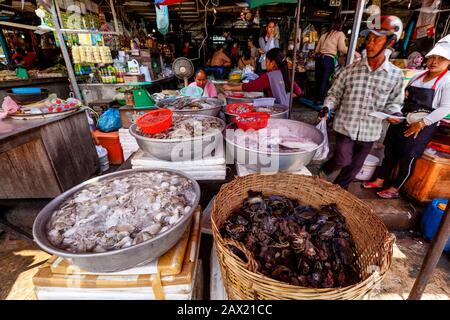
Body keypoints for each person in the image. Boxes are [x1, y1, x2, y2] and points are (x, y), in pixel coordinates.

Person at [317, 16, 405, 190]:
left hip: (370, 131)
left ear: (390, 42)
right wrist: (327, 106)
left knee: (354, 168)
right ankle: (324, 171)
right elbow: (334, 93)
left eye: (377, 40)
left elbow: (395, 102)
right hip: (346, 126)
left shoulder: (396, 75)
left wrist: (393, 114)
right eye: (369, 39)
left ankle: (338, 193)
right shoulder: (350, 70)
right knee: (342, 159)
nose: (370, 44)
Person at [362, 34, 450, 198]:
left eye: (441, 59)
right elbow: (403, 97)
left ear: (449, 62)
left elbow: (445, 108)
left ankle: (395, 189)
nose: (434, 62)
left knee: (407, 158)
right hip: (402, 120)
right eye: (432, 57)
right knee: (390, 151)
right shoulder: (418, 76)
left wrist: (422, 122)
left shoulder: (447, 81)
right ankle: (380, 180)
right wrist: (394, 110)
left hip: (422, 126)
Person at [223, 48, 301, 107]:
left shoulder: (269, 76)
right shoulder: (286, 73)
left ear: (273, 63)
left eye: (266, 61)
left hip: (275, 111)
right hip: (285, 111)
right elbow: (298, 91)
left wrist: (229, 87)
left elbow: (249, 87)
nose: (265, 64)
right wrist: (284, 96)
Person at [314, 20, 348, 104]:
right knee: (325, 81)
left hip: (319, 59)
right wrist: (352, 50)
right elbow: (341, 48)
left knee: (318, 80)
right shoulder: (340, 34)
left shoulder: (324, 35)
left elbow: (317, 50)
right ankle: (321, 100)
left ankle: (316, 99)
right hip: (328, 59)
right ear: (340, 25)